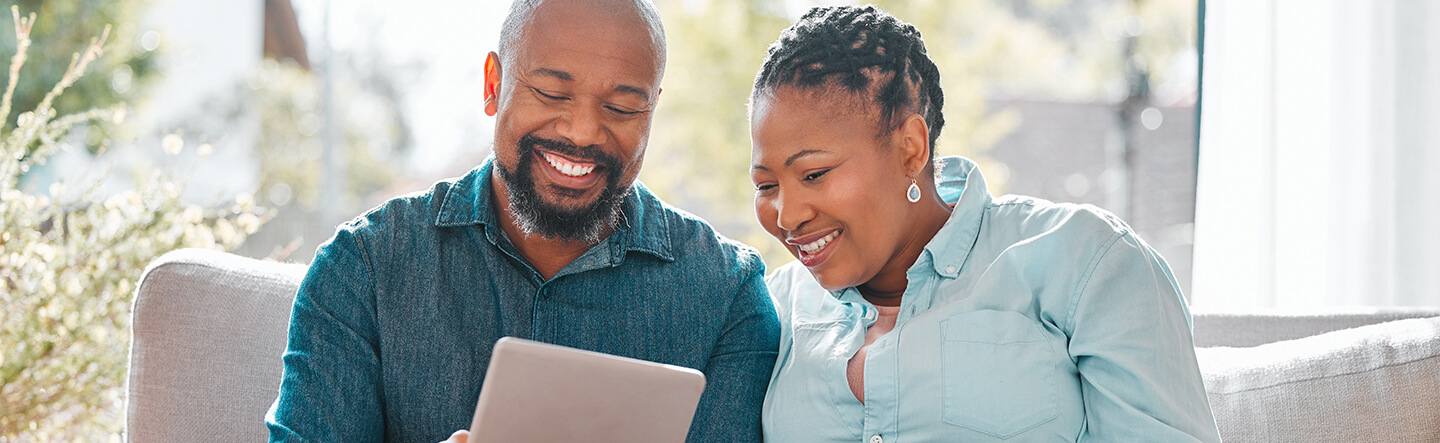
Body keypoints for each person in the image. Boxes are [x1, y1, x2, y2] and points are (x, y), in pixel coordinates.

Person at [265, 0, 780, 441]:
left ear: (651, 110)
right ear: (493, 84)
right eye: (552, 94)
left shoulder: (727, 296)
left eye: (622, 107)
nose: (583, 132)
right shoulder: (364, 268)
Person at [748, 6, 1222, 442]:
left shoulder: (1089, 261)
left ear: (910, 148)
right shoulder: (772, 309)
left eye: (814, 174)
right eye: (766, 186)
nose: (787, 216)